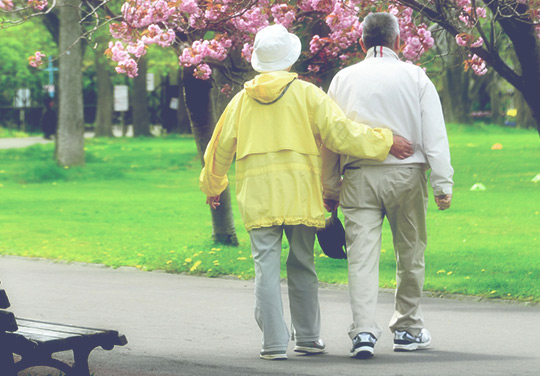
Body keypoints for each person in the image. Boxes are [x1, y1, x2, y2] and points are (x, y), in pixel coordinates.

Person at [200, 24, 413, 361]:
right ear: (288, 59)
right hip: (300, 194)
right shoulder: (308, 94)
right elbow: (342, 135)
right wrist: (385, 140)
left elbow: (219, 147)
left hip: (258, 197)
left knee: (265, 269)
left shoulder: (240, 101)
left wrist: (213, 185)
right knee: (302, 263)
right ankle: (309, 338)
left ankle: (272, 343)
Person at [322, 12, 454, 359]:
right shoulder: (415, 77)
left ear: (361, 41)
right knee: (410, 254)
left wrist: (329, 187)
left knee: (361, 258)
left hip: (358, 175)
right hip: (406, 175)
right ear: (398, 42)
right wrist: (442, 182)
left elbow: (331, 137)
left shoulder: (342, 79)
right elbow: (434, 134)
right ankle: (408, 327)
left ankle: (363, 331)